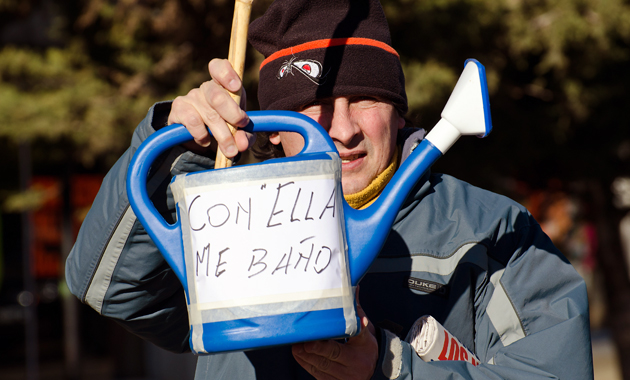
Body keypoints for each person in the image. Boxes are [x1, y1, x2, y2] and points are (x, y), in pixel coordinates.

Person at [65, 0, 594, 379]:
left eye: (365, 98)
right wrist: (173, 147)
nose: (342, 130)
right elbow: (108, 288)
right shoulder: (224, 217)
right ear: (273, 125)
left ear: (400, 108)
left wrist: (391, 368)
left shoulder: (490, 230)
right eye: (311, 108)